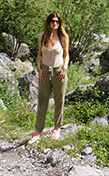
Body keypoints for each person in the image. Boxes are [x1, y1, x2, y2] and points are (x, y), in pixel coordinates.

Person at [29, 12, 69, 144]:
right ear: (48, 22)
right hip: (45, 71)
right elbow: (39, 55)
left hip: (59, 71)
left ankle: (57, 128)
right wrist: (39, 69)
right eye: (53, 21)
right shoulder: (42, 37)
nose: (55, 24)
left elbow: (66, 55)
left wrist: (64, 68)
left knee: (59, 100)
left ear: (60, 23)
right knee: (42, 100)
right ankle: (38, 130)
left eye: (57, 21)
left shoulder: (63, 37)